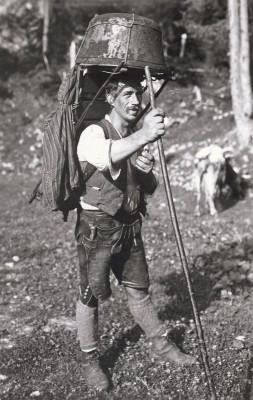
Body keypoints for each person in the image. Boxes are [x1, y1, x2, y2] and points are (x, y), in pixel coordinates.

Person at [75, 72, 195, 391]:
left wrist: (146, 171)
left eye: (137, 95)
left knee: (138, 290)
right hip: (97, 230)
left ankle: (162, 345)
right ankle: (90, 360)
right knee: (90, 295)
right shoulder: (94, 132)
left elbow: (148, 188)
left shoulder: (130, 134)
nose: (135, 101)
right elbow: (105, 156)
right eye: (127, 94)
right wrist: (143, 135)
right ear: (111, 97)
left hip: (129, 226)